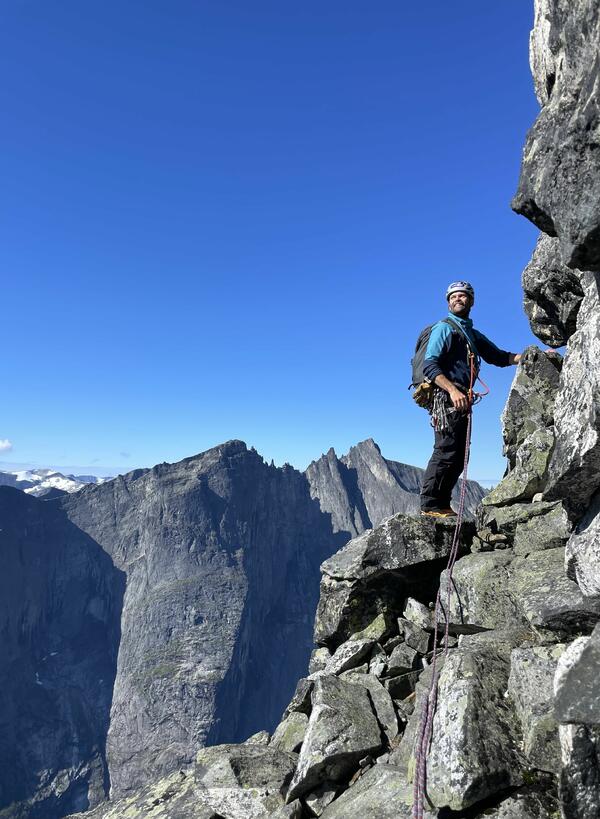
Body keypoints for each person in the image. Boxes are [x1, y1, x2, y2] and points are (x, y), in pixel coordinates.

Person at [420, 281, 522, 517]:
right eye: (454, 296)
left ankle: (441, 504)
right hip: (447, 397)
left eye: (463, 296)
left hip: (461, 399)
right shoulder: (444, 329)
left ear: (471, 302)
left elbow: (498, 356)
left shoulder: (471, 335)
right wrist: (453, 391)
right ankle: (430, 505)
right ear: (448, 302)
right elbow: (430, 365)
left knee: (459, 453)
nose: (458, 299)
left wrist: (529, 356)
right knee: (446, 450)